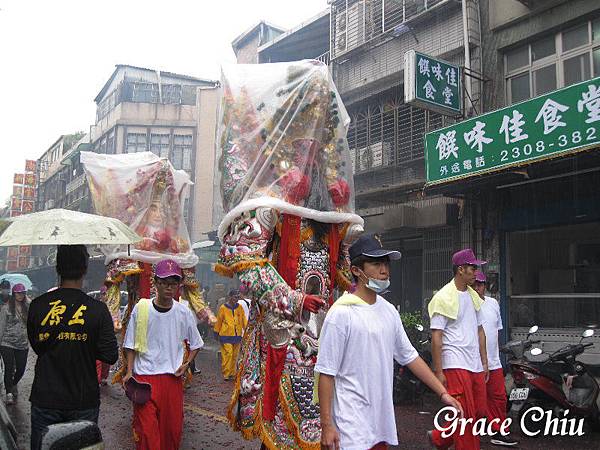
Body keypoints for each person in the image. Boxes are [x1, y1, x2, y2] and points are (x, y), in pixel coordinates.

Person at [316, 235, 463, 450]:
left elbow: (410, 356)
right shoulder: (341, 314)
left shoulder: (389, 311)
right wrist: (327, 425)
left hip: (379, 424)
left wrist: (442, 392)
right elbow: (326, 372)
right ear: (357, 270)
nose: (384, 269)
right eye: (376, 264)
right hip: (350, 425)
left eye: (386, 263)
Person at [27, 245, 119, 450]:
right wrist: (86, 344)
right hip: (83, 401)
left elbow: (38, 346)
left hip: (46, 399)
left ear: (57, 268)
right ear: (85, 269)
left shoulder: (38, 305)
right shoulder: (98, 310)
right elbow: (110, 355)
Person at [122, 259, 203, 450]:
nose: (169, 288)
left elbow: (196, 344)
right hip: (144, 380)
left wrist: (187, 363)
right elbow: (130, 344)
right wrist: (129, 371)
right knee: (147, 434)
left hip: (171, 380)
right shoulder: (141, 309)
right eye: (165, 282)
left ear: (178, 286)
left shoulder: (183, 313)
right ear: (155, 283)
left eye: (173, 283)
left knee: (171, 435)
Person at [428, 249, 489, 450]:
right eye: (473, 267)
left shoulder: (473, 296)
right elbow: (436, 336)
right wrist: (439, 371)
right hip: (455, 362)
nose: (475, 272)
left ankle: (439, 437)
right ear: (460, 269)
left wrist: (485, 362)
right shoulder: (444, 296)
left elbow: (480, 331)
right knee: (465, 415)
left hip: (474, 363)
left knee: (479, 411)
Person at [472, 271, 518, 447]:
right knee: (474, 401)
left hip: (493, 361)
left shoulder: (493, 303)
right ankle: (466, 432)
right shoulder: (467, 304)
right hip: (473, 363)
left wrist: (497, 356)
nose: (478, 288)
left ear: (485, 286)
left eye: (481, 284)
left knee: (498, 397)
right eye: (475, 284)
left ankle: (499, 431)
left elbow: (496, 331)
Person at [0, 283, 30, 404]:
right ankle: (9, 393)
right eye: (18, 293)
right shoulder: (6, 308)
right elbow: (1, 327)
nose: (20, 295)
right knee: (9, 367)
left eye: (22, 293)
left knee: (21, 369)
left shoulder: (27, 306)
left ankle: (12, 384)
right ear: (14, 294)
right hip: (7, 342)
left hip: (22, 343)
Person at [213, 289, 247, 381]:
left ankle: (232, 373)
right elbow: (219, 320)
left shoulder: (239, 307)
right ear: (230, 297)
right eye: (235, 297)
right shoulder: (223, 308)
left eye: (237, 297)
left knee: (235, 355)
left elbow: (243, 319)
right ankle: (226, 373)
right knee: (228, 353)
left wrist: (247, 330)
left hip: (237, 335)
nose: (236, 299)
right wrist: (216, 332)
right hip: (225, 335)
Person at [95, 285, 111, 386]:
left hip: (108, 336)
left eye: (107, 294)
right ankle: (97, 379)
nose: (106, 296)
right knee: (98, 360)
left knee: (106, 359)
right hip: (98, 336)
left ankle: (104, 376)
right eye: (104, 294)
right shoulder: (97, 306)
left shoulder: (113, 306)